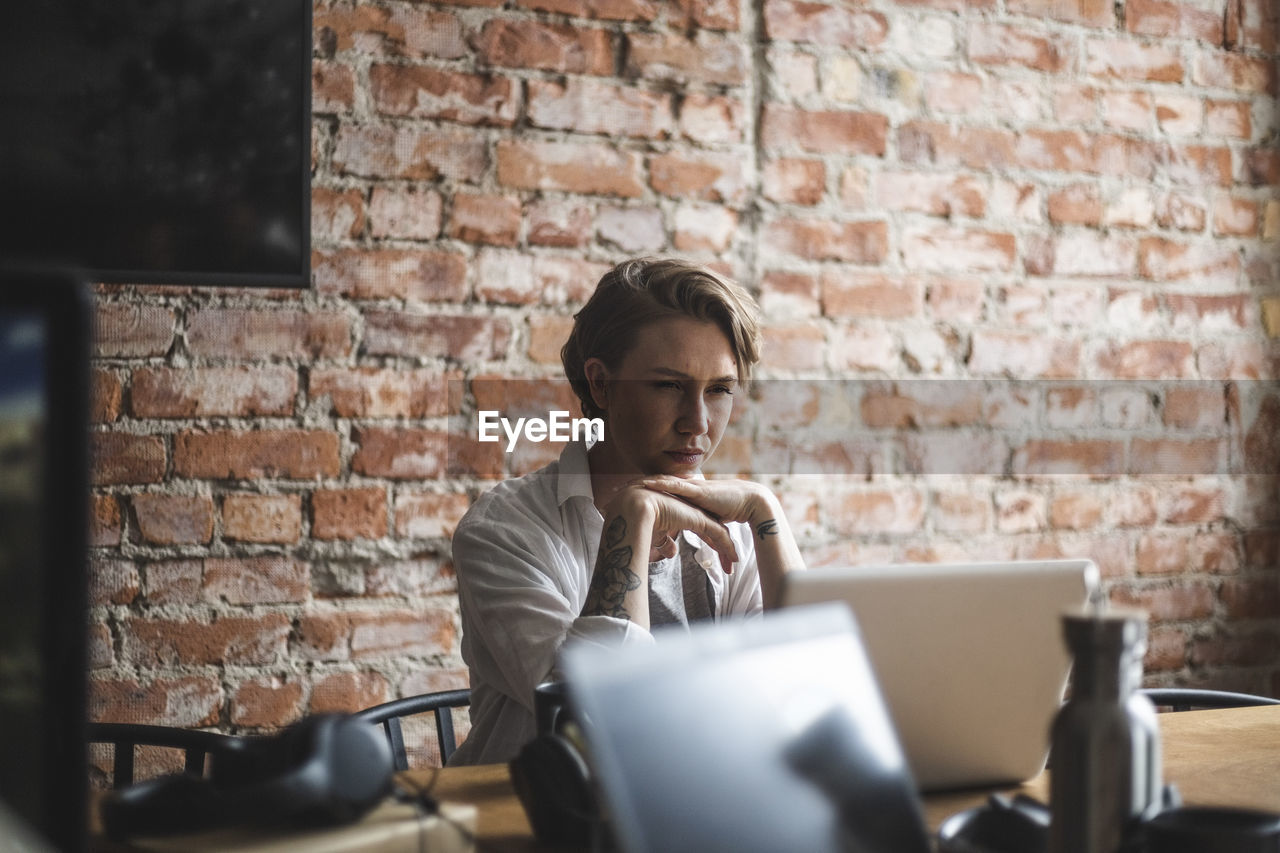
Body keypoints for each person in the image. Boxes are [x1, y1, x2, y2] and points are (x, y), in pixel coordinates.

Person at [448, 258, 805, 765]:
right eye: (668, 386)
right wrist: (630, 520)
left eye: (719, 389)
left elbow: (812, 690)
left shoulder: (739, 524)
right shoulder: (505, 531)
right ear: (600, 385)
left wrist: (767, 510)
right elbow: (595, 723)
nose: (697, 423)